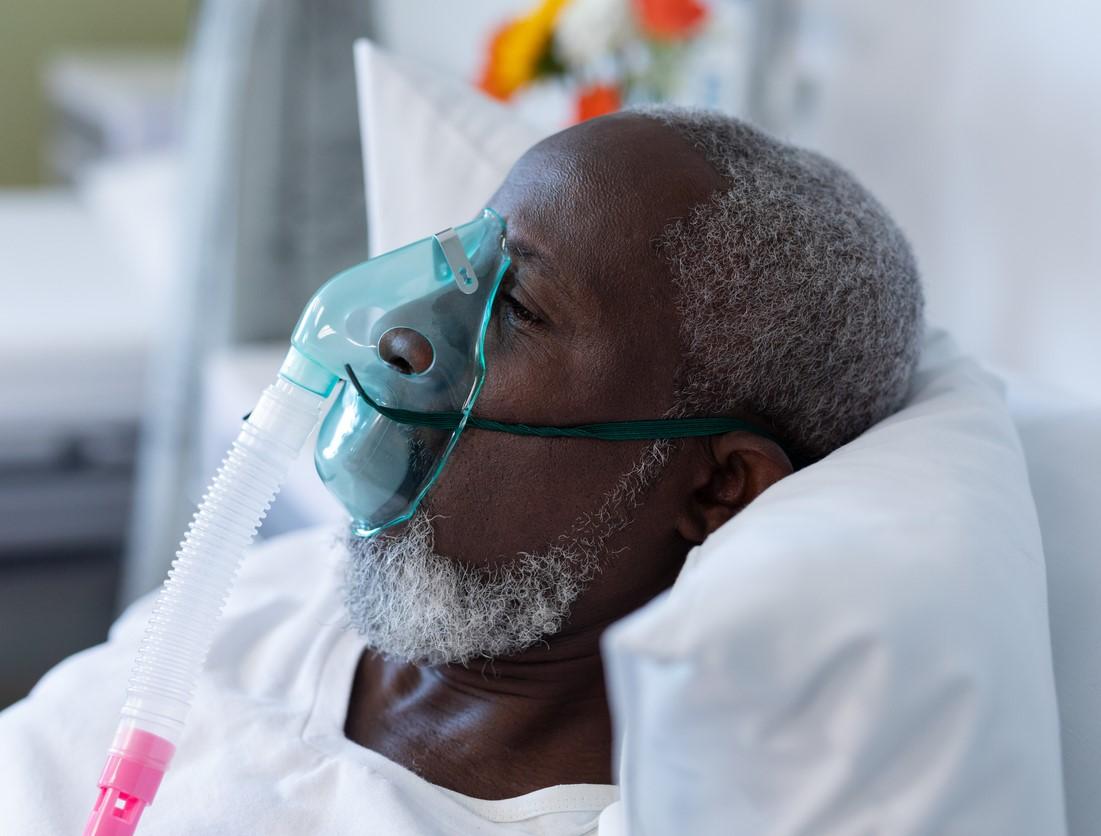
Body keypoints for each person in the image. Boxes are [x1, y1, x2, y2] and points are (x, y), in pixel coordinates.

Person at [0, 106, 922, 834]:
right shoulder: (273, 596)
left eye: (513, 301)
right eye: (457, 257)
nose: (401, 328)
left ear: (716, 489)